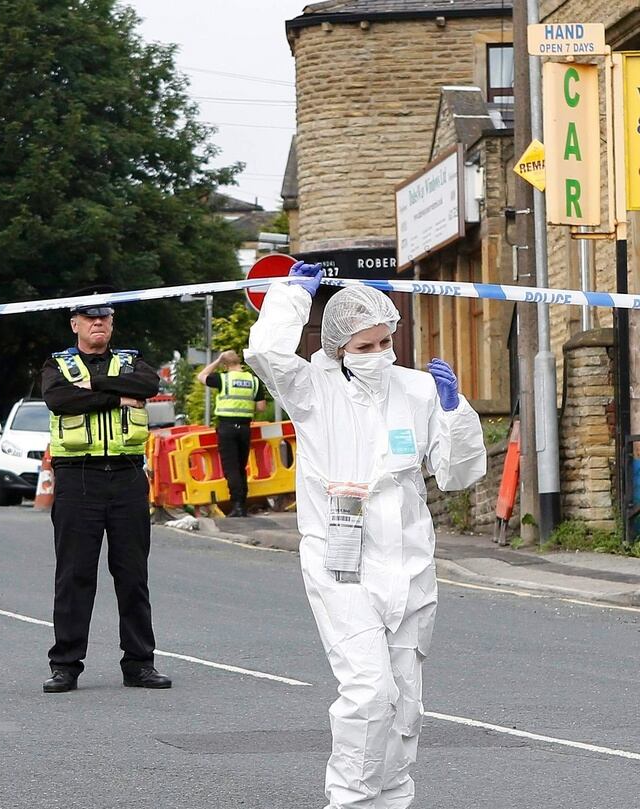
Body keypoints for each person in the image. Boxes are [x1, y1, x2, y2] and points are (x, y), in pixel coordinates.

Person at [245, 263, 485, 809]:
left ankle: (393, 800)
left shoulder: (418, 390)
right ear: (336, 347)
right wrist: (289, 299)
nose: (380, 353)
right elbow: (268, 354)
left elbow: (456, 473)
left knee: (406, 703)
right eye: (365, 344)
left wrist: (455, 414)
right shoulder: (311, 389)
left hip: (409, 566)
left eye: (386, 341)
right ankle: (350, 802)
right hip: (341, 562)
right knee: (368, 694)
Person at [39, 290, 169, 694]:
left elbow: (149, 384)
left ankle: (139, 663)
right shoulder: (57, 365)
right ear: (74, 323)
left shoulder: (131, 361)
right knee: (75, 575)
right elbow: (59, 399)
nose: (98, 324)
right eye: (89, 318)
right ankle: (65, 665)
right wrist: (115, 395)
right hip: (79, 477)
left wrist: (94, 386)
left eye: (105, 318)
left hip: (128, 475)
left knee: (132, 574)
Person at [198, 349, 268, 517]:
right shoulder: (253, 380)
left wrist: (216, 361)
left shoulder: (223, 379)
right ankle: (241, 504)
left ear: (225, 364)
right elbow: (261, 407)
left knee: (231, 469)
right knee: (241, 467)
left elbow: (201, 376)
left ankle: (237, 505)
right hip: (244, 428)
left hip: (227, 428)